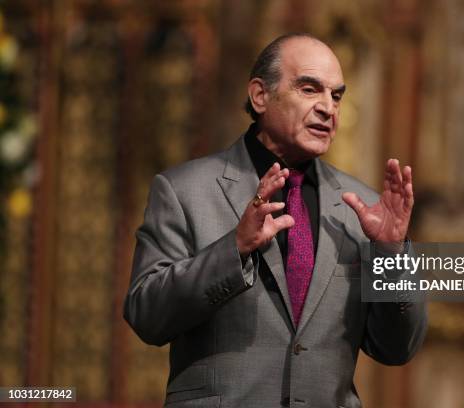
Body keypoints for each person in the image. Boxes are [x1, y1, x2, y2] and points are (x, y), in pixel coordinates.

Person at [124, 33, 427, 408]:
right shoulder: (184, 190)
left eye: (336, 96)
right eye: (309, 89)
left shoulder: (361, 207)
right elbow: (146, 314)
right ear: (260, 96)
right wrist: (233, 249)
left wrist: (392, 254)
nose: (327, 108)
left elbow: (397, 348)